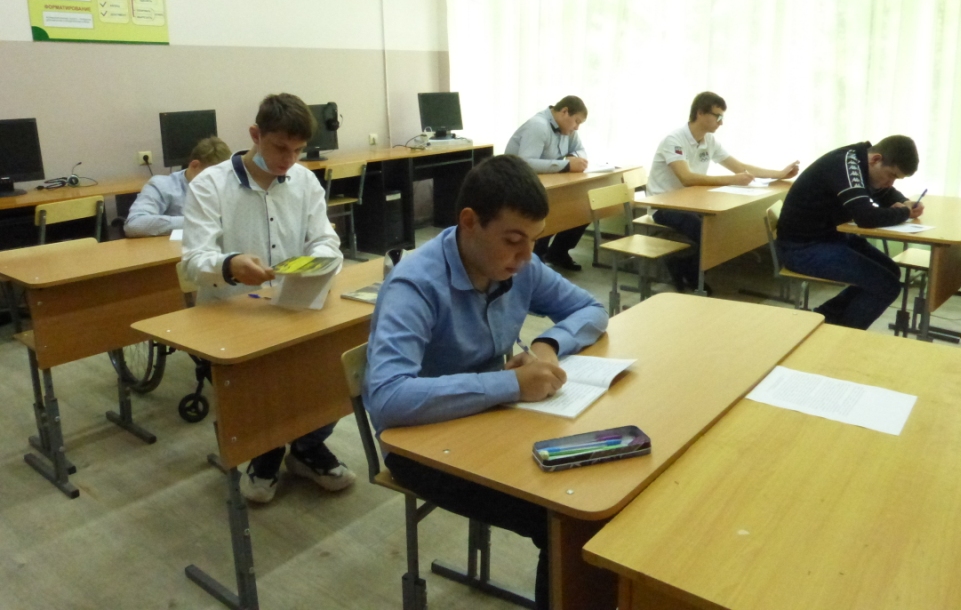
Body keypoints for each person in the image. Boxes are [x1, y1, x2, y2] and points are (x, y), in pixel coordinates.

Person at [363, 154, 609, 610]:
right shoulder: (414, 286)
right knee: (562, 516)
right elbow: (387, 397)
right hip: (421, 445)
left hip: (491, 419)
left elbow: (591, 309)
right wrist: (509, 385)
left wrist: (548, 346)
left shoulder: (520, 264)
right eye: (513, 241)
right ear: (469, 222)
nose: (526, 257)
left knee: (596, 485)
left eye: (534, 241)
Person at [182, 93, 355, 503]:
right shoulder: (210, 185)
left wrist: (319, 260)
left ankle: (307, 446)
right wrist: (229, 264)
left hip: (292, 305)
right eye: (280, 148)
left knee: (335, 371)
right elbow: (192, 261)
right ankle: (266, 451)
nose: (289, 160)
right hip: (230, 315)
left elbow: (325, 240)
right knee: (260, 393)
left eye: (298, 150)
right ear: (255, 135)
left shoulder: (304, 181)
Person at [646, 91, 799, 293]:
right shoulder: (674, 140)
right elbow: (687, 178)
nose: (721, 122)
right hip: (664, 206)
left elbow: (739, 167)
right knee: (708, 232)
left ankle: (683, 266)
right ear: (700, 113)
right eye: (717, 116)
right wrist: (732, 180)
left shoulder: (709, 140)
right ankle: (691, 273)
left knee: (723, 227)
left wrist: (779, 174)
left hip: (693, 203)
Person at [775, 135, 923, 330]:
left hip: (829, 238)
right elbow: (866, 217)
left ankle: (826, 319)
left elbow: (882, 192)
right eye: (892, 175)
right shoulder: (845, 165)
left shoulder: (861, 161)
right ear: (876, 159)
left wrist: (904, 202)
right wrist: (904, 212)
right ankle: (843, 334)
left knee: (892, 273)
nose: (891, 182)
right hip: (801, 248)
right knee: (886, 285)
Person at [504, 95, 590, 271]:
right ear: (564, 112)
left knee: (582, 210)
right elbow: (526, 163)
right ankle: (536, 258)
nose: (577, 127)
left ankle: (558, 253)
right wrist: (567, 165)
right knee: (550, 213)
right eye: (576, 121)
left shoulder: (568, 131)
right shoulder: (538, 126)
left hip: (549, 186)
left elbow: (580, 150)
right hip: (520, 187)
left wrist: (573, 157)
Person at [123, 136, 232, 237]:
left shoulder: (228, 185)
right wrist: (196, 222)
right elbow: (134, 224)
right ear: (195, 165)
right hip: (173, 249)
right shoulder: (162, 185)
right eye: (212, 177)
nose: (217, 182)